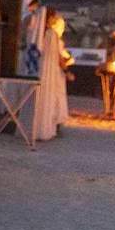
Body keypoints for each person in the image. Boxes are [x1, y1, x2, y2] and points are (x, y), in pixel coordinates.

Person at [34, 8, 71, 141]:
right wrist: (66, 70)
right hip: (51, 71)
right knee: (50, 96)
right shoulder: (52, 34)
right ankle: (46, 127)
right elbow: (57, 56)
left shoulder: (37, 32)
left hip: (38, 69)